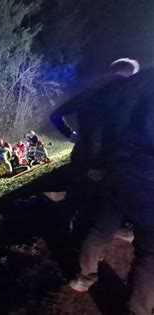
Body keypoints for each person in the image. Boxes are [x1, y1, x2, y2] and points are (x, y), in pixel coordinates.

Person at [69, 68, 154, 314]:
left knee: (102, 227)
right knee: (150, 252)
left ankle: (83, 276)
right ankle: (139, 309)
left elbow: (103, 126)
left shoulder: (132, 86)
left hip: (118, 170)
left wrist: (97, 162)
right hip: (147, 178)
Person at [49, 58, 139, 239]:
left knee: (74, 197)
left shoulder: (90, 92)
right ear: (131, 75)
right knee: (94, 206)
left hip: (82, 156)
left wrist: (71, 135)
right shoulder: (130, 98)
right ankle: (78, 244)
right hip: (106, 161)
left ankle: (62, 233)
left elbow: (56, 115)